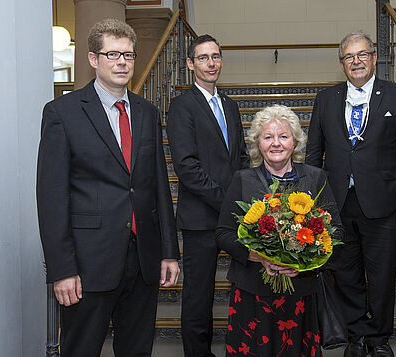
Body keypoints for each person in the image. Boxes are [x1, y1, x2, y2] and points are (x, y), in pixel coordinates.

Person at [37, 18, 180, 356]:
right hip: (87, 264)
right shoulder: (63, 113)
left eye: (128, 55)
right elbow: (52, 197)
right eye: (113, 54)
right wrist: (62, 269)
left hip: (143, 260)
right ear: (93, 59)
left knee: (136, 350)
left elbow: (158, 186)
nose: (122, 63)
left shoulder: (146, 112)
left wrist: (169, 251)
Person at [305, 31, 396, 357]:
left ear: (373, 58)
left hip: (386, 207)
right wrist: (312, 206)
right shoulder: (325, 99)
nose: (356, 61)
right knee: (345, 275)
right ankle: (356, 336)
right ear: (342, 63)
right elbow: (314, 156)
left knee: (382, 277)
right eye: (349, 57)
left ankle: (379, 338)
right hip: (337, 206)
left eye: (362, 55)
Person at [216, 105, 344, 357]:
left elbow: (337, 233)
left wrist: (305, 262)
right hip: (252, 293)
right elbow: (223, 233)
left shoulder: (315, 178)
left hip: (301, 295)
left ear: (294, 141)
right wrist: (256, 255)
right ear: (258, 143)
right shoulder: (242, 179)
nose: (276, 143)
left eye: (283, 136)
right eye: (268, 137)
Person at [166, 34, 250, 356]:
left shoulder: (230, 104)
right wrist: (228, 202)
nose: (211, 63)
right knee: (198, 296)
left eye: (215, 56)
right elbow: (187, 168)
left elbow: (241, 157)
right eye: (203, 58)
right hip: (201, 219)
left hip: (233, 218)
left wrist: (246, 198)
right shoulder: (182, 106)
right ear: (190, 64)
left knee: (242, 284)